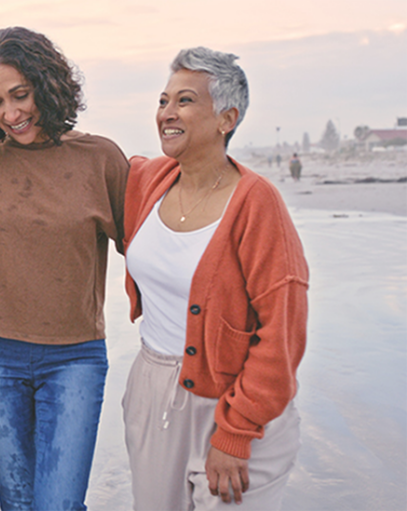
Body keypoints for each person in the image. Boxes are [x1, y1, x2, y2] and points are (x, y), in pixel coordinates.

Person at [122, 47, 308, 510]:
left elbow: (282, 333)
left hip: (236, 401)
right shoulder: (148, 181)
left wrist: (236, 432)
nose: (167, 113)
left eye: (184, 101)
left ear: (227, 118)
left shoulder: (256, 204)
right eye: (163, 101)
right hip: (154, 390)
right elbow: (77, 163)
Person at [0, 27, 128, 511]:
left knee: (59, 504)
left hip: (74, 359)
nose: (10, 114)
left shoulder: (100, 159)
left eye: (20, 95)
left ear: (47, 86)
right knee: (17, 501)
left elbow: (144, 251)